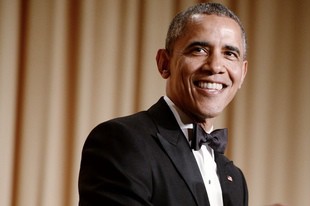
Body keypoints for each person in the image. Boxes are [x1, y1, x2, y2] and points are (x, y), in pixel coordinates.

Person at [78, 2, 249, 206]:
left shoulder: (235, 179)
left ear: (242, 73)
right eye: (199, 50)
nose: (215, 66)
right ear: (164, 63)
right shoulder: (121, 142)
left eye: (230, 54)